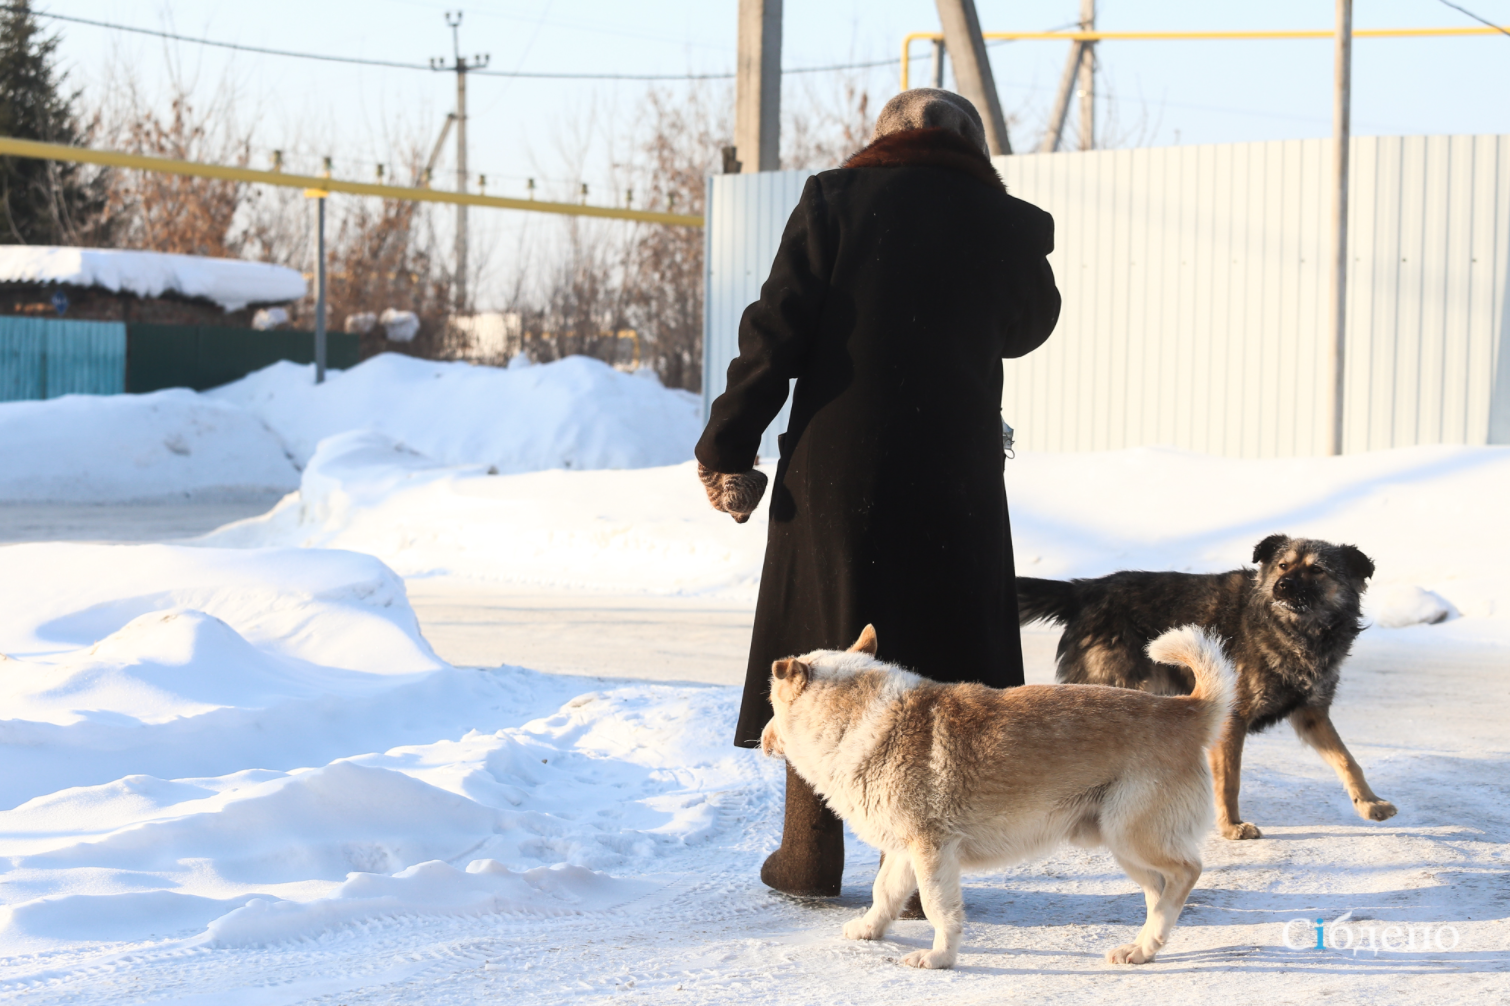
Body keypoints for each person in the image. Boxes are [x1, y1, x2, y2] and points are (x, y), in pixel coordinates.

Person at [696, 88, 1061, 897]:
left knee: (823, 648)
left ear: (881, 138)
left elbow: (776, 329)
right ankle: (938, 854)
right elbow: (1031, 326)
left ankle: (808, 856)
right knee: (951, 664)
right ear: (971, 147)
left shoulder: (836, 198)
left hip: (839, 464)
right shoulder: (1000, 222)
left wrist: (728, 441)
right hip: (954, 469)